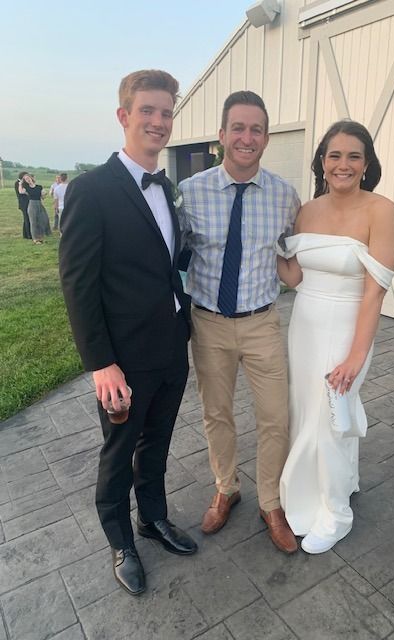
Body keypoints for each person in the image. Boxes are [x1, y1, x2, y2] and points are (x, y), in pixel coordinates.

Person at [59, 69, 197, 597]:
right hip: (123, 358)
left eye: (166, 112)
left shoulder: (167, 188)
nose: (158, 121)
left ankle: (152, 518)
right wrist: (101, 363)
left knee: (157, 443)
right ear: (124, 116)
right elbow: (78, 284)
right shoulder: (91, 190)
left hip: (171, 345)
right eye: (148, 111)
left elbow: (166, 263)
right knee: (118, 454)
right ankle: (121, 542)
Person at [178, 91, 301, 554]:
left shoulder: (285, 197)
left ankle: (271, 502)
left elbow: (296, 253)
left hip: (261, 323)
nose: (247, 138)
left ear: (266, 139)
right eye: (238, 128)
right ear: (221, 135)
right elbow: (171, 253)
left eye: (256, 130)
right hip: (209, 323)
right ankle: (226, 488)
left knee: (275, 416)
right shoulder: (191, 193)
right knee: (217, 413)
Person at [277, 120, 394, 554]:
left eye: (353, 156)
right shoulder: (307, 211)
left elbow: (374, 294)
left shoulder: (381, 210)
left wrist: (355, 356)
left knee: (331, 416)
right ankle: (329, 486)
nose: (343, 164)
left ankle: (335, 514)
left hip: (349, 326)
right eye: (334, 155)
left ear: (366, 164)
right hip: (304, 325)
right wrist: (265, 247)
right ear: (322, 162)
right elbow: (295, 277)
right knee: (306, 410)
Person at [21, 174, 52, 244]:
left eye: (28, 178)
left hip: (39, 204)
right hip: (32, 205)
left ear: (31, 178)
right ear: (25, 181)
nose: (28, 179)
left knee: (44, 219)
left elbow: (43, 197)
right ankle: (35, 239)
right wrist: (20, 184)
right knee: (33, 222)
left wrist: (44, 194)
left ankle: (41, 237)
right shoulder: (26, 188)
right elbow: (21, 191)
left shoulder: (39, 187)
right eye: (26, 179)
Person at [14, 171, 32, 239]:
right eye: (26, 176)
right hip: (23, 203)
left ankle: (25, 234)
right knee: (27, 219)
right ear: (22, 176)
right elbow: (21, 193)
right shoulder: (18, 183)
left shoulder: (23, 183)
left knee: (26, 219)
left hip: (27, 202)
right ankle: (29, 235)